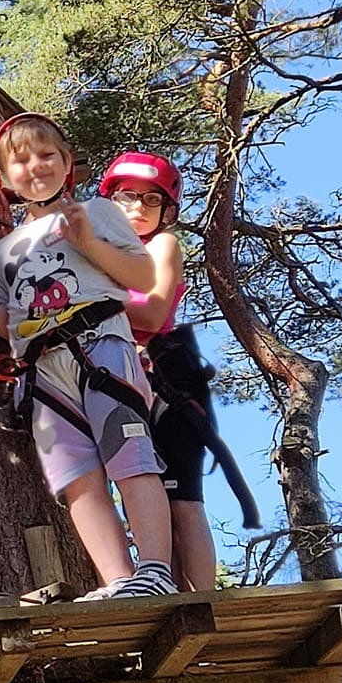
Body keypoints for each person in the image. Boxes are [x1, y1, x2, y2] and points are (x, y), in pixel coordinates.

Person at [0, 113, 175, 599]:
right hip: (43, 369)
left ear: (68, 163)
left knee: (129, 456)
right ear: (5, 177)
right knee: (78, 480)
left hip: (101, 346)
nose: (35, 166)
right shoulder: (2, 250)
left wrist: (86, 240)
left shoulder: (100, 213)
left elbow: (143, 278)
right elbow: (9, 321)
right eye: (20, 160)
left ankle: (155, 570)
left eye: (47, 155)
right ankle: (119, 579)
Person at [98, 151, 221, 591]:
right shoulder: (97, 252)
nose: (137, 209)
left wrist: (90, 299)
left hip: (165, 373)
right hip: (116, 373)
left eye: (152, 201)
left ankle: (202, 601)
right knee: (139, 492)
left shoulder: (161, 246)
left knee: (182, 499)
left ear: (168, 211)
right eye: (127, 197)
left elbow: (152, 312)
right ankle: (160, 588)